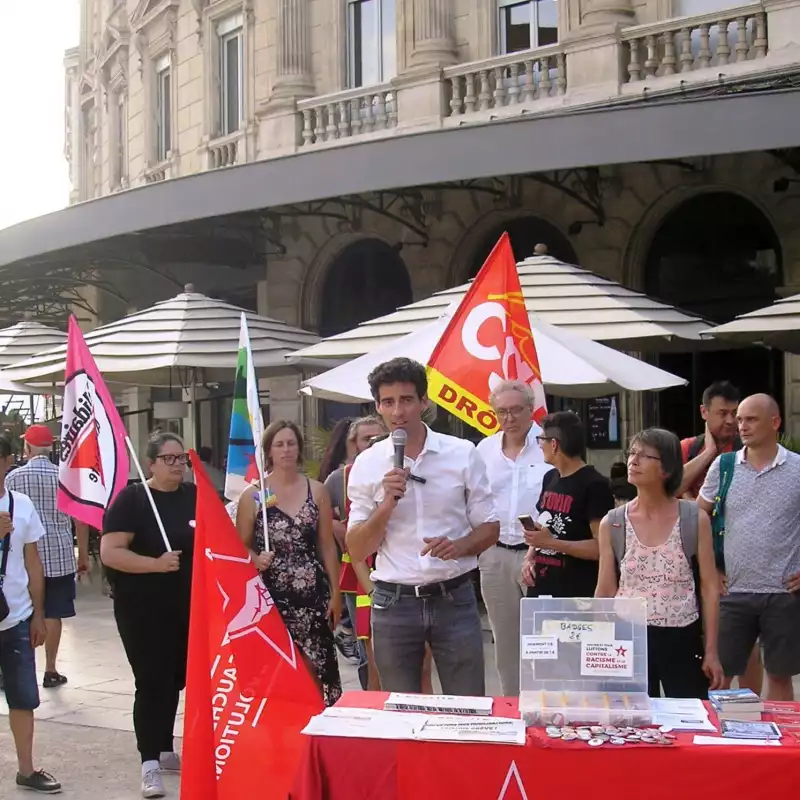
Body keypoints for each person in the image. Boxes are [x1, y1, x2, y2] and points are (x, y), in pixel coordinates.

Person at [346, 357, 499, 695]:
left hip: (453, 596)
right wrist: (387, 504)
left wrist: (459, 546)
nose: (398, 411)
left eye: (406, 400)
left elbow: (490, 528)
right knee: (402, 710)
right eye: (388, 402)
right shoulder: (367, 464)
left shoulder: (462, 453)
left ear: (424, 402)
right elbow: (356, 548)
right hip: (394, 602)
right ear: (378, 407)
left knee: (468, 706)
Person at [101, 432, 196, 799]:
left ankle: (166, 748)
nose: (177, 465)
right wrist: (154, 564)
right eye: (168, 459)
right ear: (151, 463)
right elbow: (111, 552)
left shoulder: (193, 496)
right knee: (152, 682)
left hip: (185, 606)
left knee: (175, 680)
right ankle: (149, 763)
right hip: (141, 609)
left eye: (181, 458)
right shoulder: (133, 500)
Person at [596, 428, 724, 698]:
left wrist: (712, 651)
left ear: (666, 469)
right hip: (627, 638)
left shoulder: (693, 518)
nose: (633, 461)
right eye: (632, 453)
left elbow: (710, 588)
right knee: (631, 719)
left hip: (682, 636)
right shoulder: (613, 522)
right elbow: (605, 590)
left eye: (645, 456)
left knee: (690, 716)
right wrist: (598, 646)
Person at [698, 394, 800, 701]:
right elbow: (697, 519)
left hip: (783, 593)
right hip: (733, 591)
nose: (741, 425)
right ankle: (718, 732)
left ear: (775, 422)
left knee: (779, 676)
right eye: (739, 419)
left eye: (750, 419)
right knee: (719, 676)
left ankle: (781, 733)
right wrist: (711, 570)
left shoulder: (797, 468)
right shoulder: (724, 466)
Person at [236, 420, 343, 706]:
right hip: (272, 596)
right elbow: (239, 546)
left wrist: (336, 592)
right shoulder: (257, 494)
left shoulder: (316, 491)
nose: (286, 450)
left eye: (291, 443)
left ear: (299, 448)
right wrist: (255, 558)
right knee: (279, 668)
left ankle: (316, 722)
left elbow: (327, 545)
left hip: (312, 594)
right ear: (269, 451)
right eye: (279, 444)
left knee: (315, 666)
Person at [677, 381, 763, 694]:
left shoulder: (749, 449)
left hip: (736, 558)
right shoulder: (687, 448)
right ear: (704, 412)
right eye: (722, 413)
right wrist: (710, 454)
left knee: (746, 641)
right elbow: (669, 488)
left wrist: (690, 500)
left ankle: (752, 703)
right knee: (704, 636)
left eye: (734, 414)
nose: (730, 421)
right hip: (691, 556)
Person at [476, 379, 550, 696]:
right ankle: (512, 706)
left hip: (541, 554)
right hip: (495, 554)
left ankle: (547, 707)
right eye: (502, 412)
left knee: (545, 639)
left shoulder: (550, 445)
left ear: (531, 410)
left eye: (516, 410)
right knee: (505, 641)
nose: (509, 418)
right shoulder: (483, 450)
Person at [6, 425, 90, 690]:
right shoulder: (65, 478)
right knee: (53, 612)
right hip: (59, 555)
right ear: (51, 447)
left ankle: (19, 666)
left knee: (20, 613)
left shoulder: (13, 478)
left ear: (27, 448)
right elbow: (80, 520)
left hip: (23, 557)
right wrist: (83, 554)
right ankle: (50, 669)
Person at [0, 435, 61, 794]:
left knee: (23, 696)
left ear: (8, 461)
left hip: (16, 616)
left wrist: (39, 614)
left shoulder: (21, 505)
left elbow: (33, 562)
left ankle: (26, 769)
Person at [521, 411, 614, 598]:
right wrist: (530, 556)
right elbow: (545, 525)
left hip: (576, 592)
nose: (540, 445)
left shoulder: (595, 485)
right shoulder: (550, 477)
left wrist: (551, 543)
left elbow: (601, 548)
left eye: (541, 440)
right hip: (543, 587)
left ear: (554, 444)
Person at [324, 416, 386, 691]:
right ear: (354, 444)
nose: (372, 443)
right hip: (356, 573)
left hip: (397, 569)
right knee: (367, 646)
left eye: (378, 438)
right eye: (366, 439)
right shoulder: (340, 478)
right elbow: (319, 515)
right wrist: (337, 527)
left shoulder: (401, 471)